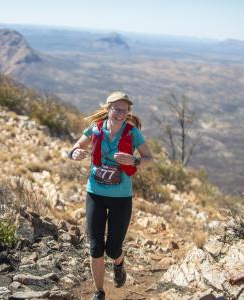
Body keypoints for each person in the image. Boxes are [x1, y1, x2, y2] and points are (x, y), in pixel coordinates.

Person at [68, 91, 154, 300]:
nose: (121, 113)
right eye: (117, 108)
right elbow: (74, 148)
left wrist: (132, 160)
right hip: (95, 193)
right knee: (96, 247)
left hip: (121, 197)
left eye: (125, 110)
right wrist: (75, 153)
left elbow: (150, 159)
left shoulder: (133, 133)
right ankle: (99, 292)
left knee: (113, 248)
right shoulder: (95, 129)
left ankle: (119, 262)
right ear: (108, 109)